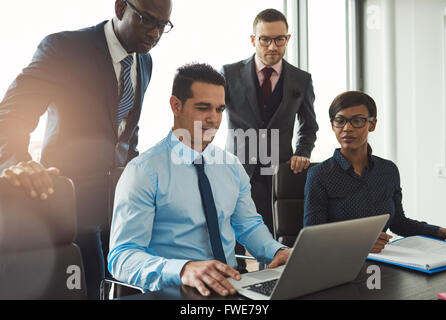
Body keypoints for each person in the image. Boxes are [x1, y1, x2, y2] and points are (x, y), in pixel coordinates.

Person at [0, 0, 173, 299]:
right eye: (147, 20)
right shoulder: (66, 48)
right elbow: (12, 115)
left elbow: (126, 134)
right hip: (72, 206)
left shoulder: (144, 61)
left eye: (163, 26)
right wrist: (19, 162)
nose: (155, 33)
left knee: (136, 289)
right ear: (120, 8)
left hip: (119, 208)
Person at [108, 63, 292, 297]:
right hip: (174, 290)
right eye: (203, 108)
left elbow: (248, 225)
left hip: (231, 288)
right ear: (176, 105)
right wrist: (182, 269)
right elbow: (122, 257)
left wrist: (276, 251)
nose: (214, 119)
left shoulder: (232, 166)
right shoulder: (143, 171)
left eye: (219, 109)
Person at [303, 91, 446, 252]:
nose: (347, 128)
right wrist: (360, 243)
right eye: (340, 121)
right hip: (336, 265)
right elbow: (312, 239)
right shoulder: (319, 175)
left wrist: (442, 231)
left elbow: (398, 222)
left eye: (357, 121)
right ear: (333, 125)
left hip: (383, 263)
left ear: (372, 124)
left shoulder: (388, 170)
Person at [222, 8, 319, 237]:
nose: (273, 46)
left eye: (279, 39)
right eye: (265, 39)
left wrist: (302, 152)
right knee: (231, 243)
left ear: (288, 39)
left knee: (271, 240)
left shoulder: (301, 80)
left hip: (277, 173)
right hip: (236, 170)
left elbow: (309, 126)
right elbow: (210, 116)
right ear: (254, 39)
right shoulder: (229, 74)